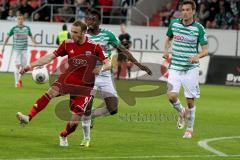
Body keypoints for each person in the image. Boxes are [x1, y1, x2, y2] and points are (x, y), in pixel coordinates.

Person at [16, 20, 111, 147]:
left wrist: (101, 69)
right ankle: (28, 117)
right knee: (51, 92)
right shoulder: (67, 44)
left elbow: (108, 63)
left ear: (84, 32)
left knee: (74, 122)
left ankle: (63, 135)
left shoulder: (94, 46)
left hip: (85, 87)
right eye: (72, 31)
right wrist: (29, 66)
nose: (72, 34)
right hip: (68, 79)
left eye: (75, 32)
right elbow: (50, 57)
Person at [163, 0, 208, 138]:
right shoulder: (174, 24)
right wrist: (166, 50)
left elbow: (205, 50)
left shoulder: (199, 28)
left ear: (194, 11)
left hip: (191, 68)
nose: (185, 12)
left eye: (188, 10)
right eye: (183, 10)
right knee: (171, 96)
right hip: (175, 66)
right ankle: (182, 111)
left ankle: (189, 128)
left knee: (190, 100)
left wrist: (197, 56)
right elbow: (168, 39)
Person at [1, 14, 37, 88]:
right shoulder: (14, 29)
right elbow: (7, 38)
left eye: (21, 19)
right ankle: (17, 83)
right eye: (19, 19)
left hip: (24, 50)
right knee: (17, 66)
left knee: (23, 67)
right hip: (16, 50)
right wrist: (3, 47)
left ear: (23, 20)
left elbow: (31, 36)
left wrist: (34, 42)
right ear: (17, 20)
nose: (20, 20)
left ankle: (19, 79)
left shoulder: (27, 28)